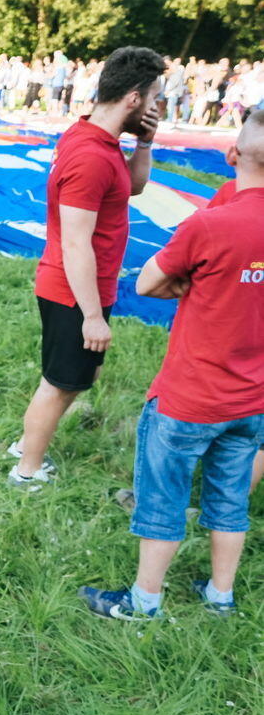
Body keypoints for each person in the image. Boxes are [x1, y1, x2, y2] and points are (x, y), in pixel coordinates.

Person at [79, 110, 264, 619]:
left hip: (189, 396)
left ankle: (145, 601)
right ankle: (220, 596)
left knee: (163, 497)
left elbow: (145, 282)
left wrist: (190, 282)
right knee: (230, 501)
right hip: (253, 399)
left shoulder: (210, 225)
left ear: (231, 155)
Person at [7, 46, 165, 490]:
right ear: (133, 98)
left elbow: (132, 186)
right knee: (59, 382)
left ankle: (30, 443)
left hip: (89, 287)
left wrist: (145, 142)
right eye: (153, 98)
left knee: (79, 376)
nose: (156, 107)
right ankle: (26, 468)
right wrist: (92, 316)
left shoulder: (100, 140)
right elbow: (76, 243)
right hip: (72, 290)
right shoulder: (90, 156)